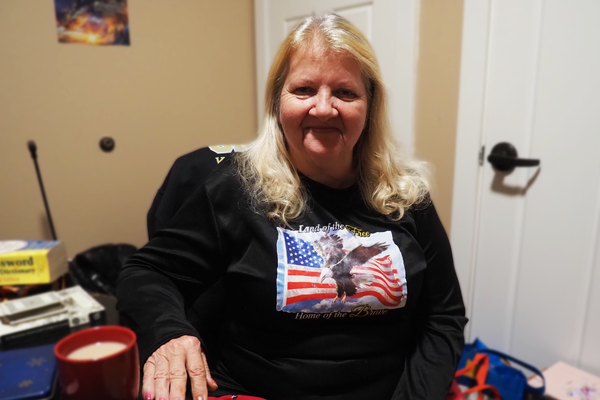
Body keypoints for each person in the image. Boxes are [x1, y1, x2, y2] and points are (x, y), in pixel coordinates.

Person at [117, 13, 467, 400]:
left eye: (345, 92)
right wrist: (169, 333)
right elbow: (146, 272)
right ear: (277, 102)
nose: (323, 108)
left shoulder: (407, 195)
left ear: (370, 107)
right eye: (303, 90)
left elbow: (444, 315)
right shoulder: (236, 189)